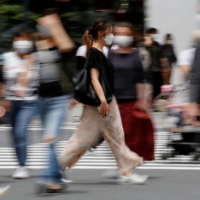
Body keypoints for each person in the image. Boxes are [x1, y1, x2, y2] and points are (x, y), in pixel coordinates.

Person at [59, 18, 148, 185]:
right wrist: (103, 101)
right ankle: (57, 167)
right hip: (102, 101)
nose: (112, 36)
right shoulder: (96, 52)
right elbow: (94, 79)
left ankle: (125, 171)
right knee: (87, 137)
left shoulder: (103, 51)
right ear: (100, 34)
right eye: (110, 33)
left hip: (104, 100)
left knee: (113, 136)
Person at [35, 10, 74, 192]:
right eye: (41, 24)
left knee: (50, 138)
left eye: (47, 24)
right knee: (50, 140)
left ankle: (47, 178)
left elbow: (67, 46)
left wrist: (55, 24)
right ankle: (58, 180)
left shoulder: (60, 45)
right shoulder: (36, 44)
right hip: (40, 100)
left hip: (59, 99)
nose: (43, 27)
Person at [110, 22, 154, 161]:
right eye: (118, 34)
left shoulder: (139, 55)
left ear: (132, 36)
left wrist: (143, 100)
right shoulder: (108, 54)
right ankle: (121, 164)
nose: (122, 37)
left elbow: (142, 79)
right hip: (111, 101)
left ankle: (125, 165)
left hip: (130, 101)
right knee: (112, 134)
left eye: (126, 34)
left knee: (129, 134)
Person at [2, 28, 39, 179]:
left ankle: (23, 166)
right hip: (11, 101)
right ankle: (20, 164)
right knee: (14, 135)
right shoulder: (6, 57)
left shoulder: (36, 58)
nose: (23, 42)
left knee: (20, 131)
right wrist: (3, 98)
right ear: (14, 41)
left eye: (27, 39)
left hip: (30, 101)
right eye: (20, 39)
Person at [145, 28, 169, 99]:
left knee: (157, 88)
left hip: (157, 69)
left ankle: (155, 102)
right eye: (152, 33)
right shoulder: (143, 44)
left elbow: (162, 58)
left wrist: (166, 69)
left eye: (155, 33)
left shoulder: (157, 44)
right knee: (149, 89)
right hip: (148, 70)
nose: (154, 35)